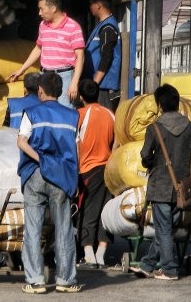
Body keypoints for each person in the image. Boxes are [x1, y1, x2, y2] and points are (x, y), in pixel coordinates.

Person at [130, 84, 191, 281]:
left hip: (161, 186)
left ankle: (169, 269)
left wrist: (149, 163)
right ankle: (147, 265)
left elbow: (145, 156)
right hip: (182, 187)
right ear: (177, 104)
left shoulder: (155, 128)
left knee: (163, 230)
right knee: (166, 229)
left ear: (160, 104)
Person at [17, 72, 81, 294]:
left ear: (40, 92)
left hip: (36, 174)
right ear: (61, 92)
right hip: (62, 177)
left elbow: (21, 141)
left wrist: (40, 159)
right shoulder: (72, 116)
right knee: (64, 228)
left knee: (33, 229)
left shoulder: (32, 113)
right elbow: (76, 150)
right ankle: (65, 280)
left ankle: (35, 281)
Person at [7, 0, 85, 109]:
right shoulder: (43, 25)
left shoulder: (73, 27)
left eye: (41, 9)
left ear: (53, 8)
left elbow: (80, 56)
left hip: (65, 77)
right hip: (45, 76)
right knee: (45, 110)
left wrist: (74, 82)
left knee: (64, 111)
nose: (39, 13)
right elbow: (38, 48)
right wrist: (21, 70)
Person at [75, 79, 114, 269]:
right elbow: (116, 144)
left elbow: (75, 144)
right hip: (109, 170)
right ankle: (101, 254)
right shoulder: (110, 114)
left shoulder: (79, 115)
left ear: (81, 97)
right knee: (105, 212)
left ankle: (89, 254)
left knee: (87, 211)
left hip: (88, 170)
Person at [83, 0, 122, 112]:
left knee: (101, 116)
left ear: (99, 5)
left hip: (102, 86)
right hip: (98, 84)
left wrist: (94, 83)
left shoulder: (108, 27)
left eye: (91, 4)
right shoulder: (101, 25)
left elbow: (106, 57)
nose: (90, 7)